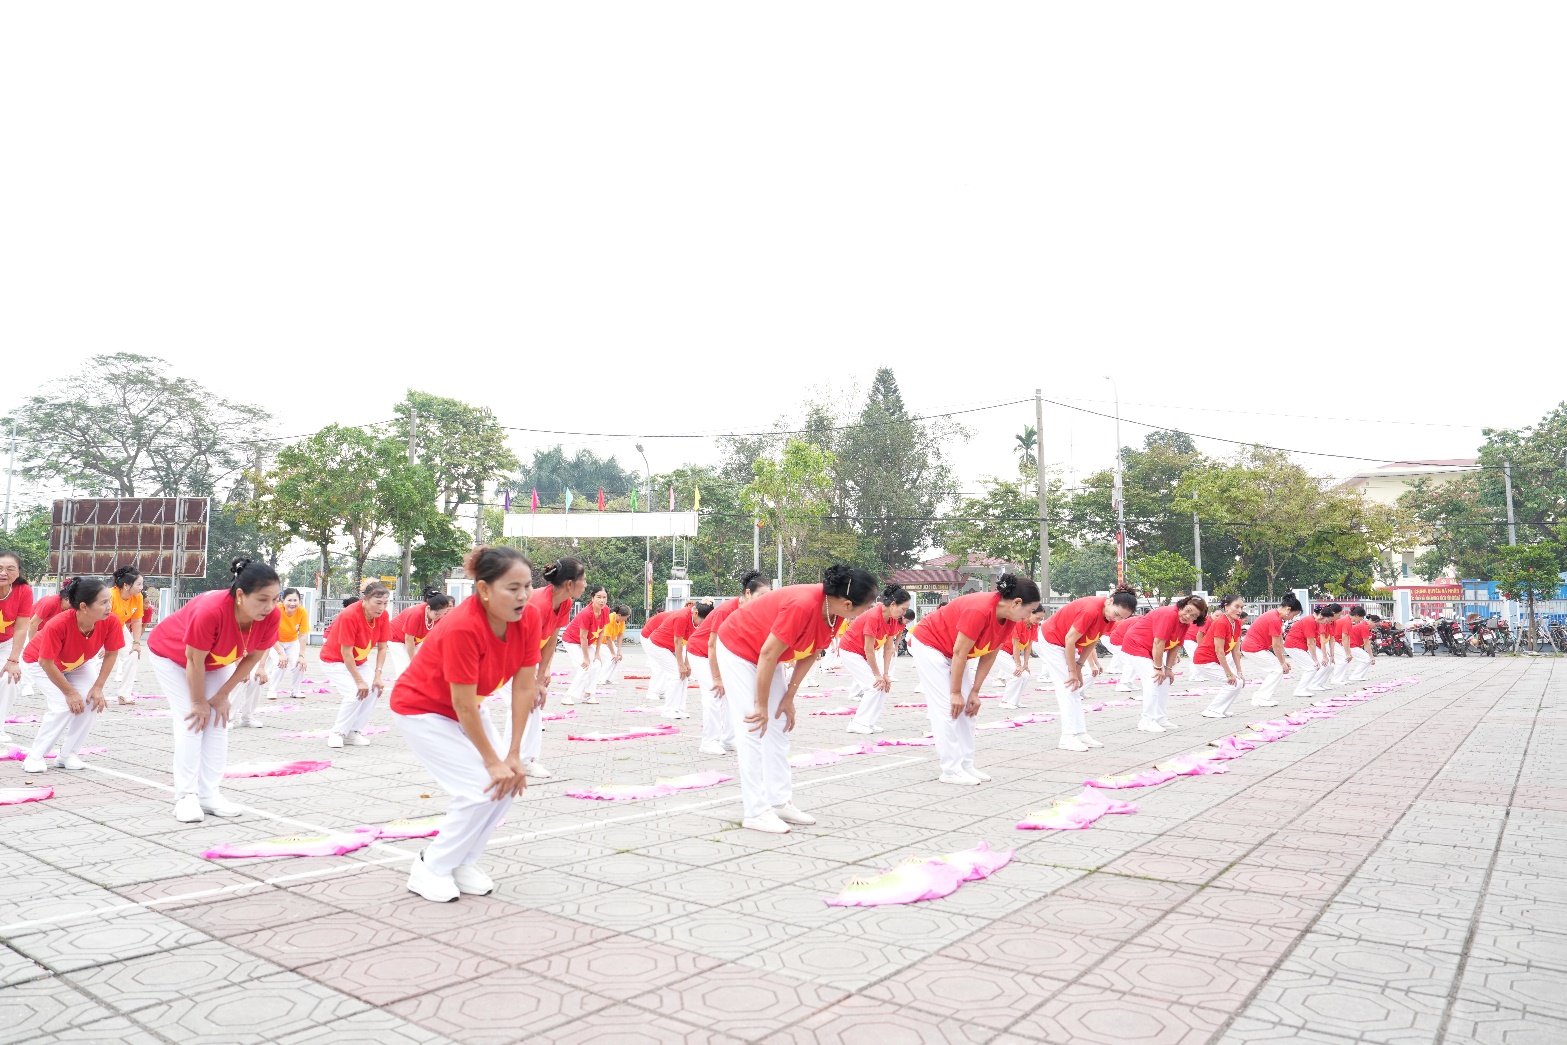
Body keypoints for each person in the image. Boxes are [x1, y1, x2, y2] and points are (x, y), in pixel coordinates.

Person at [391, 546, 539, 902]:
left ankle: (462, 861)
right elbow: (460, 703)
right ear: (485, 590)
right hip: (422, 708)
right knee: (481, 785)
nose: (522, 596)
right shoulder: (462, 626)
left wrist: (515, 754)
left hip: (470, 707)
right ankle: (432, 866)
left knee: (508, 784)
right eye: (512, 588)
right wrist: (493, 760)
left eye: (527, 586)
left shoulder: (529, 619)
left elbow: (523, 688)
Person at [717, 564, 879, 832]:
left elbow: (812, 652)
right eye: (866, 606)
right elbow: (768, 654)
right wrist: (760, 704)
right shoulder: (803, 605)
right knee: (754, 726)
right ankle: (755, 811)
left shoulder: (834, 612)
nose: (868, 612)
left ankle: (779, 801)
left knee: (779, 723)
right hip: (739, 648)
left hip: (768, 655)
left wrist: (789, 696)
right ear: (848, 603)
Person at [147, 558, 282, 822]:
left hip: (217, 660)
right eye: (263, 599)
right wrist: (198, 701)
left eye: (275, 599)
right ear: (240, 595)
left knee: (219, 720)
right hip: (172, 656)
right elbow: (194, 660)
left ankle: (209, 794)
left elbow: (253, 657)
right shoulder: (211, 610)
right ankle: (185, 797)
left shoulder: (271, 616)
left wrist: (222, 696)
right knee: (192, 719)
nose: (270, 607)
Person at [909, 574, 1041, 783]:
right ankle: (950, 770)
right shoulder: (979, 609)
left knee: (969, 708)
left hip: (954, 653)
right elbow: (960, 652)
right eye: (1030, 610)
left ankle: (966, 764)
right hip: (930, 645)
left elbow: (990, 654)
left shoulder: (1009, 619)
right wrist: (954, 693)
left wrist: (974, 692)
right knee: (947, 708)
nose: (1029, 616)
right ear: (1016, 603)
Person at [20, 577, 123, 773]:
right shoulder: (58, 624)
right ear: (84, 606)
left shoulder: (110, 621)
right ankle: (34, 756)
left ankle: (67, 755)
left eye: (109, 600)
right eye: (103, 602)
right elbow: (46, 662)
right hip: (38, 662)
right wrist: (69, 692)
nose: (109, 606)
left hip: (77, 663)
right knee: (62, 705)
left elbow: (111, 654)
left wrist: (98, 687)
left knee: (92, 700)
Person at [1037, 588, 1137, 752]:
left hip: (1068, 643)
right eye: (1116, 614)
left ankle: (1080, 733)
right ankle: (1067, 737)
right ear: (1110, 601)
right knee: (1068, 687)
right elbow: (1069, 640)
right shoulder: (1090, 610)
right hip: (1053, 639)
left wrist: (1079, 665)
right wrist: (1072, 671)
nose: (1116, 618)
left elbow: (1093, 640)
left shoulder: (1108, 616)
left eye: (1121, 618)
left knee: (1075, 689)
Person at [689, 573, 769, 756]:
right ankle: (708, 742)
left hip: (721, 655)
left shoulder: (754, 611)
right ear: (748, 593)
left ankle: (728, 739)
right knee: (713, 696)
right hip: (700, 653)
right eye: (761, 596)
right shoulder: (726, 610)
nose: (765, 601)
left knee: (730, 697)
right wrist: (717, 677)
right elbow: (711, 645)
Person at [521, 558, 587, 779]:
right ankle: (518, 761)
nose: (586, 585)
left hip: (523, 655)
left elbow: (550, 640)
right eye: (583, 579)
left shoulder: (565, 603)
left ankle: (523, 759)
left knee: (533, 703)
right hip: (506, 654)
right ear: (569, 584)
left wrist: (542, 673)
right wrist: (533, 679)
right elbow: (521, 645)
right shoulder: (537, 603)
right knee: (525, 703)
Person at [1120, 596, 1208, 733]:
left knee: (1165, 680)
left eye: (1194, 615)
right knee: (1153, 679)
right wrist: (1158, 667)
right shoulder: (1168, 614)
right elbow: (1158, 642)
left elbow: (1175, 646)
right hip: (1136, 644)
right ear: (1182, 605)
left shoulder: (1184, 623)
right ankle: (1146, 721)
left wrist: (1168, 669)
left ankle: (1160, 718)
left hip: (1150, 649)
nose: (1188, 616)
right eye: (1188, 610)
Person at [321, 583, 392, 747]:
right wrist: (360, 681)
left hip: (358, 661)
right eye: (378, 602)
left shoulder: (383, 616)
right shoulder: (350, 614)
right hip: (334, 660)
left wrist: (378, 676)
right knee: (354, 693)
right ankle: (337, 733)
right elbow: (346, 653)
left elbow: (382, 648)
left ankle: (353, 732)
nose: (381, 608)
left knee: (374, 689)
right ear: (365, 599)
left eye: (385, 603)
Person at [844, 584, 914, 734]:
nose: (904, 613)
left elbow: (888, 648)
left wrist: (886, 675)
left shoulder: (894, 619)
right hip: (850, 651)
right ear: (893, 604)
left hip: (863, 653)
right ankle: (857, 723)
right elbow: (868, 649)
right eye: (903, 609)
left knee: (882, 686)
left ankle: (869, 722)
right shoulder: (873, 617)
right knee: (874, 685)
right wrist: (877, 675)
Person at [1240, 593, 1302, 707]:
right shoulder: (1274, 619)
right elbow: (1276, 645)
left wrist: (1282, 661)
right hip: (1253, 648)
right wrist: (1282, 662)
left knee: (1276, 669)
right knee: (1276, 670)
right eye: (1294, 615)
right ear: (1288, 609)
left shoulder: (1275, 616)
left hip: (1256, 647)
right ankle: (1260, 698)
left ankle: (1261, 698)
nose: (1292, 618)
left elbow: (1278, 641)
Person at [0, 552, 34, 743]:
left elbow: (21, 627)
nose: (4, 573)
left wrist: (13, 660)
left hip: (7, 642)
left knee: (9, 678)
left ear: (18, 572)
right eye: (0, 568)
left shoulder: (24, 591)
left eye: (10, 569)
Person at [648, 601, 703, 719]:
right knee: (676, 674)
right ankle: (668, 710)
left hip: (669, 647)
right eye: (702, 621)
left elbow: (689, 643)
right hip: (657, 645)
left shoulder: (695, 620)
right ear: (696, 613)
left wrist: (687, 664)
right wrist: (681, 664)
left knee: (685, 675)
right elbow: (678, 642)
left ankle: (680, 709)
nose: (701, 624)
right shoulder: (682, 617)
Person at [387, 590, 456, 681]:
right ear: (428, 608)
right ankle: (404, 689)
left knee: (426, 664)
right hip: (396, 639)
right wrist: (413, 660)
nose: (439, 617)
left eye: (442, 614)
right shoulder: (416, 614)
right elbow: (408, 639)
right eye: (437, 614)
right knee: (407, 667)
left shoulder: (439, 616)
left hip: (415, 640)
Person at [1198, 595, 1248, 718]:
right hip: (1204, 660)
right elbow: (1219, 651)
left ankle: (1221, 709)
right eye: (1236, 607)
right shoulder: (1221, 622)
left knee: (1239, 681)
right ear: (1226, 607)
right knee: (1232, 682)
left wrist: (1239, 671)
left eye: (1241, 607)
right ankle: (1212, 710)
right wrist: (1229, 673)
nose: (1240, 610)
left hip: (1215, 660)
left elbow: (1236, 651)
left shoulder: (1237, 623)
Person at [559, 586, 609, 706]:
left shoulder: (606, 610)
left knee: (596, 664)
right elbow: (582, 637)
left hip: (586, 642)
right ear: (592, 598)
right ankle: (568, 696)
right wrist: (586, 658)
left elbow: (602, 631)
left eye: (604, 597)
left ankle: (589, 694)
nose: (602, 600)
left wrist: (597, 653)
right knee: (584, 667)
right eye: (598, 597)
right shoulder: (586, 613)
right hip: (572, 640)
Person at [108, 566, 147, 705]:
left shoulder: (138, 597)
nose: (141, 587)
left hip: (120, 628)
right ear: (126, 585)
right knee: (96, 661)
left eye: (142, 584)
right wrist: (101, 645)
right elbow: (100, 620)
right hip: (101, 628)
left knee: (133, 654)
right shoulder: (110, 596)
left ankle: (124, 694)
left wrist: (136, 642)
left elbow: (137, 620)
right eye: (139, 584)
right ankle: (90, 693)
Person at [998, 605, 1047, 711]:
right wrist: (1018, 665)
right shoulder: (1019, 622)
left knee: (1025, 675)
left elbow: (1029, 645)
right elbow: (1015, 645)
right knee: (1017, 675)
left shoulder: (1034, 625)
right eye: (1037, 618)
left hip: (1011, 654)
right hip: (1001, 652)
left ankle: (1014, 701)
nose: (1038, 621)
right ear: (1031, 613)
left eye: (1041, 619)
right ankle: (1005, 701)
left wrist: (1026, 664)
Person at [268, 588, 311, 700]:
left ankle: (295, 691)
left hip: (292, 642)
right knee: (280, 663)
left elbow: (302, 636)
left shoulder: (302, 612)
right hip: (275, 642)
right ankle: (272, 691)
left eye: (295, 600)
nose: (292, 603)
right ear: (283, 600)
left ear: (299, 601)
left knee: (299, 665)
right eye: (289, 600)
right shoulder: (276, 610)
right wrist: (281, 653)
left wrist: (302, 656)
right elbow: (270, 634)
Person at [1284, 604, 1331, 698]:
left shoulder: (1315, 622)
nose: (1326, 623)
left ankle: (1302, 689)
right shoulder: (1310, 621)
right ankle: (1300, 690)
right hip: (1294, 645)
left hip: (1297, 646)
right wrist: (1315, 659)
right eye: (1326, 621)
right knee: (1312, 667)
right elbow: (1310, 643)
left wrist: (1315, 659)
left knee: (1312, 667)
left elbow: (1311, 642)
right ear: (1321, 616)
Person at [1343, 606, 1376, 682]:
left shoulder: (1360, 625)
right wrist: (1372, 656)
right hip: (1351, 646)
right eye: (1361, 617)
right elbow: (1366, 643)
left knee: (1366, 659)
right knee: (1367, 659)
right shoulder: (1362, 626)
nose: (1361, 620)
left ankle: (1356, 676)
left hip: (1352, 645)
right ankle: (1355, 676)